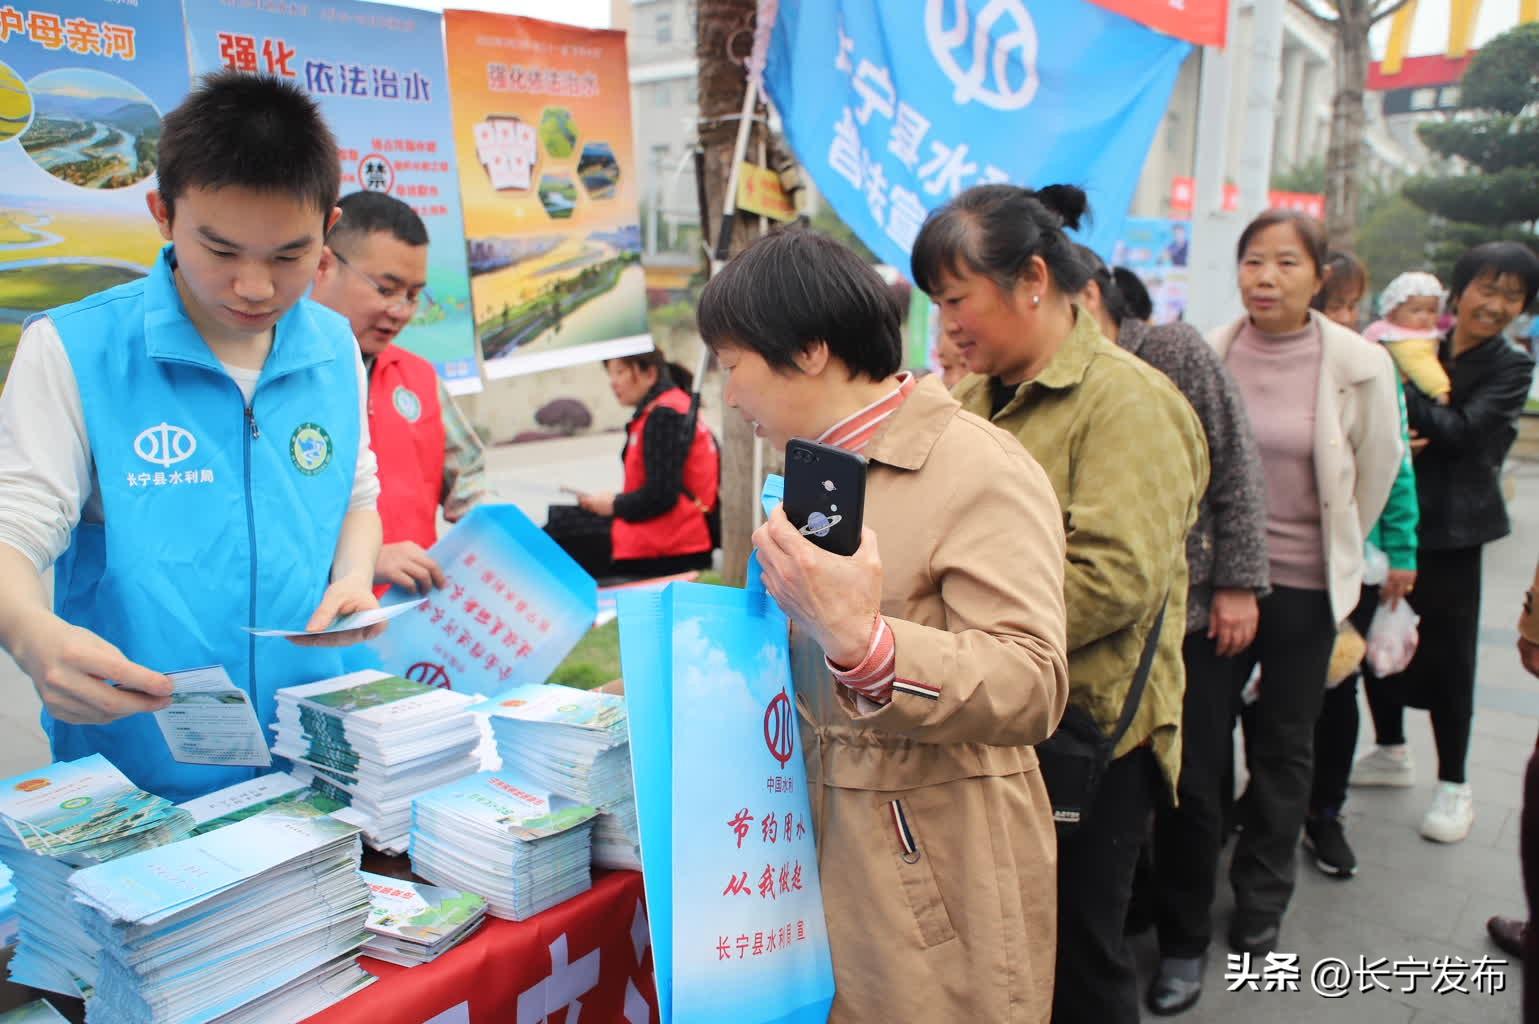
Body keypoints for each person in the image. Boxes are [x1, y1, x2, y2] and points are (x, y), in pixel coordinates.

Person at [699, 228, 1070, 1022]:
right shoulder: (810, 472)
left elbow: (1032, 682)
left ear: (807, 350)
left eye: (734, 366)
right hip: (805, 849)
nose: (729, 397)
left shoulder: (978, 468)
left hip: (929, 869)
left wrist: (868, 646)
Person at [0, 72, 384, 803]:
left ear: (327, 230)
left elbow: (356, 491)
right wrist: (27, 631)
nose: (254, 288)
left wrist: (354, 576)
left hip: (314, 752)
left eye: (287, 256)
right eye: (221, 250)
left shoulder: (334, 347)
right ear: (162, 215)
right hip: (136, 767)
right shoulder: (76, 350)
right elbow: (15, 525)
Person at [913, 184, 1208, 1024]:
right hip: (993, 718)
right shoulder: (970, 399)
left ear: (1032, 279)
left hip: (1090, 735)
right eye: (938, 303)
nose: (949, 323)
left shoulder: (1128, 403)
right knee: (1001, 946)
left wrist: (950, 638)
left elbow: (1114, 578)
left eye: (957, 297)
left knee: (1076, 958)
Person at [1074, 245, 1271, 1015]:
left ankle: (1185, 943)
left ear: (1084, 295)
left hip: (1192, 618)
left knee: (1190, 782)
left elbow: (1236, 470)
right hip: (1111, 632)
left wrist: (1237, 585)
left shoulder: (1168, 352)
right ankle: (1137, 911)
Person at [1209, 210, 1402, 954]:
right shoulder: (1212, 350)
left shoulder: (1358, 363)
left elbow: (1374, 473)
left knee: (1285, 747)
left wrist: (1334, 553)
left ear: (1319, 277)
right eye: (1253, 260)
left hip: (1306, 588)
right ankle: (1195, 873)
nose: (1265, 277)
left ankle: (1260, 896)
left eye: (1286, 263)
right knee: (1202, 743)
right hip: (1220, 586)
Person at [1357, 242, 1539, 844]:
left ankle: (1455, 785)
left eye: (1512, 295)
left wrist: (1407, 407)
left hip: (1456, 533)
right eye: (1486, 288)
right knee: (1381, 637)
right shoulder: (1414, 340)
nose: (1496, 304)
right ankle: (1389, 749)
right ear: (1458, 293)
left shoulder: (1509, 365)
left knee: (1450, 655)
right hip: (1392, 522)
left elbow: (1466, 430)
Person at [1303, 252, 1420, 882]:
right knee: (1261, 694)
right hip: (1280, 566)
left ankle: (1326, 810)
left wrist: (1400, 550)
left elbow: (1394, 467)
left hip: (1353, 564)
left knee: (1337, 687)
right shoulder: (1267, 359)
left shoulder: (1372, 370)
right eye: (1340, 304)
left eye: (1354, 304)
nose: (1350, 318)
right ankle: (1271, 798)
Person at [310, 190, 488, 594]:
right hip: (320, 625)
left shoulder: (419, 377)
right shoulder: (273, 377)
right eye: (386, 289)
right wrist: (364, 562)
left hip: (415, 623)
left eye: (413, 295)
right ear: (324, 265)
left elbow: (469, 480)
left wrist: (501, 526)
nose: (401, 311)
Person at [548, 349, 719, 581]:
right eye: (610, 375)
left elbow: (661, 495)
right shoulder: (675, 405)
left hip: (667, 545)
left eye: (619, 372)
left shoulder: (663, 416)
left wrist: (614, 504)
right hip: (671, 537)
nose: (613, 382)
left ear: (649, 373)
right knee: (560, 523)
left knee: (557, 535)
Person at [1364, 271, 1450, 404]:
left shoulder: (1385, 330)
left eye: (1431, 310)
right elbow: (1421, 365)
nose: (1424, 316)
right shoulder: (1402, 340)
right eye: (1416, 310)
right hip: (1395, 395)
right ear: (1393, 311)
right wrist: (1439, 389)